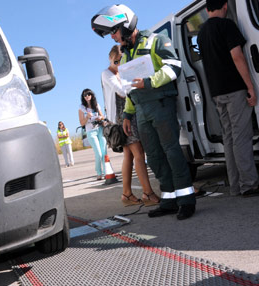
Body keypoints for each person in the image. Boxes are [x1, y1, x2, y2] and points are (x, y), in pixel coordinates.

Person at [92, 4, 196, 220]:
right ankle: (169, 199)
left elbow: (173, 66)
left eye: (114, 31)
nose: (112, 37)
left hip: (161, 105)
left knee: (172, 152)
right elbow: (130, 88)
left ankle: (186, 200)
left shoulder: (156, 40)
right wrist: (128, 115)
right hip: (141, 111)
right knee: (155, 158)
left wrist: (149, 82)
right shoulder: (126, 55)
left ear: (126, 25)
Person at [197, 0, 259, 197]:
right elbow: (237, 56)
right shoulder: (227, 25)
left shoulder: (202, 33)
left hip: (217, 93)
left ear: (207, 10)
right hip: (234, 89)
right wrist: (250, 87)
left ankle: (236, 185)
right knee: (241, 137)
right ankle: (249, 184)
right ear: (224, 6)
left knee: (230, 138)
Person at [101, 45, 160, 207]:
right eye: (116, 61)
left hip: (129, 114)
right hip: (122, 118)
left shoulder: (121, 71)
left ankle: (127, 194)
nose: (119, 64)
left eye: (121, 60)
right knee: (139, 153)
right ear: (110, 58)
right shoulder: (106, 74)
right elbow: (122, 91)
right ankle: (147, 193)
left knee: (130, 155)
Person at [78, 89, 107, 180]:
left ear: (91, 95)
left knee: (104, 152)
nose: (87, 96)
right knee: (98, 153)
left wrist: (100, 117)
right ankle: (99, 172)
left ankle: (107, 172)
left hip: (100, 129)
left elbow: (102, 116)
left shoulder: (96, 105)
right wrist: (87, 117)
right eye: (85, 95)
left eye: (88, 94)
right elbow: (82, 123)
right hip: (91, 131)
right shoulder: (82, 107)